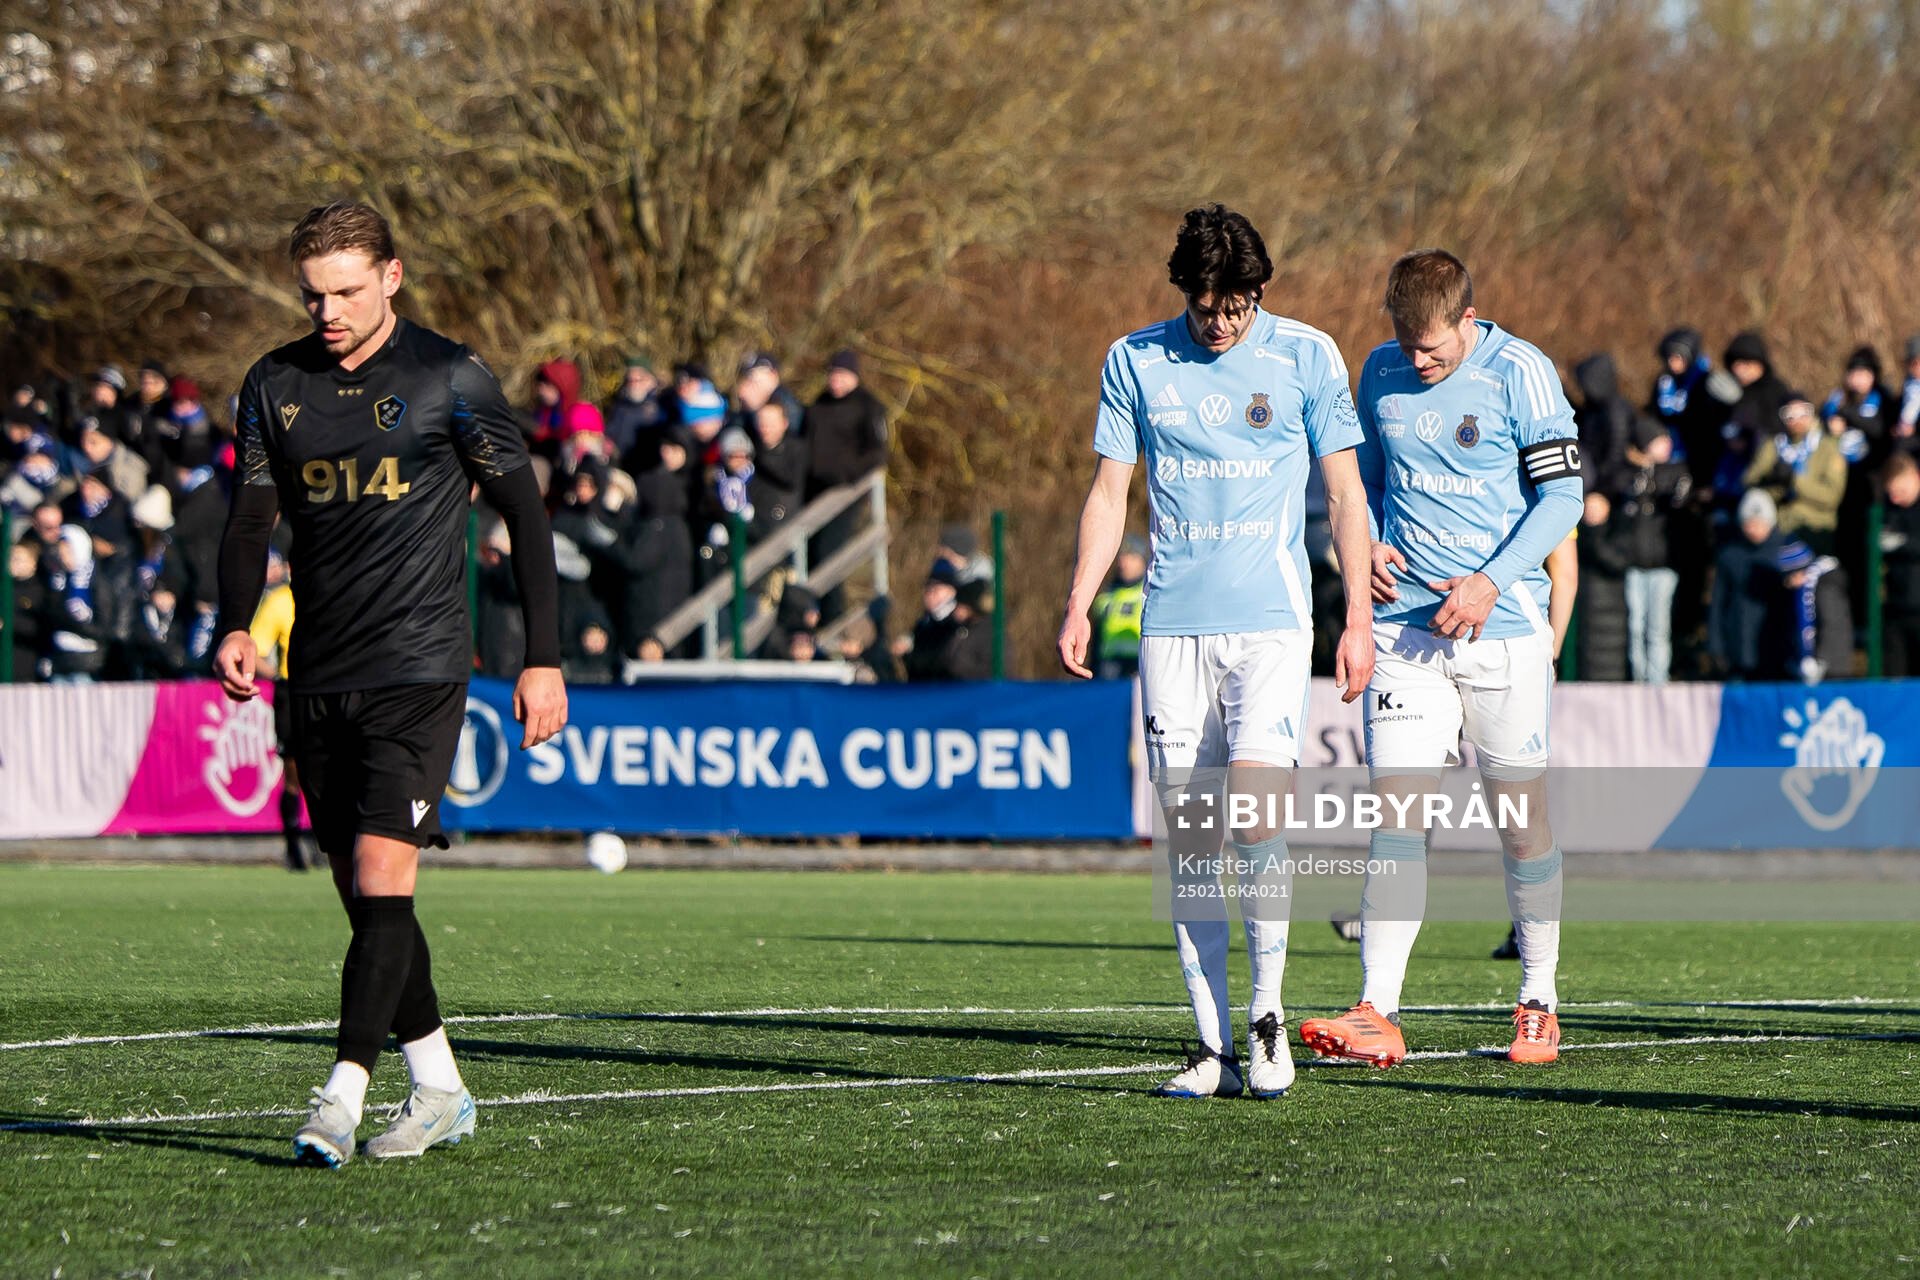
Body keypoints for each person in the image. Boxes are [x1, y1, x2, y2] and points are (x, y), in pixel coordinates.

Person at [213, 201, 566, 1168]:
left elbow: (526, 517)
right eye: (313, 294)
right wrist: (236, 625)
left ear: (393, 278)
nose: (328, 310)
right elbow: (250, 522)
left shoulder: (450, 376)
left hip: (419, 668)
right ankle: (442, 1089)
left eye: (347, 291)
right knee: (368, 902)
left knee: (382, 876)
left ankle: (341, 1095)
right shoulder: (273, 384)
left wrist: (544, 655)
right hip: (316, 674)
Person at [1057, 204, 1374, 1101]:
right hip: (1171, 629)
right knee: (1190, 844)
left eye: (1233, 306)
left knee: (1260, 822)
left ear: (1257, 292)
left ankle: (1269, 1017)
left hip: (1272, 625)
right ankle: (1210, 1046)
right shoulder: (1136, 360)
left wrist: (1355, 619)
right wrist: (1080, 600)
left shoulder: (1307, 355)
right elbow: (1109, 491)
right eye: (1204, 307)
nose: (1218, 322)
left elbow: (1347, 498)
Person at [1300, 248, 1582, 1070]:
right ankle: (1376, 1010)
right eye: (1406, 344)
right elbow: (1363, 489)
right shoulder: (1380, 371)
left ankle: (1538, 1000)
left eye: (1434, 348)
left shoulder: (1522, 372)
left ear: (1468, 318)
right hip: (1405, 637)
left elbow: (1563, 496)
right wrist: (1370, 544)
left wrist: (1493, 581)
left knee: (1520, 825)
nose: (1418, 362)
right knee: (1398, 820)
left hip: (1504, 633)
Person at [1744, 392, 1846, 556]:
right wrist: (1771, 478)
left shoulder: (1827, 447)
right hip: (1776, 524)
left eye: (1803, 413)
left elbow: (1831, 497)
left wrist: (1795, 480)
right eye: (1789, 415)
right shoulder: (1775, 444)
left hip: (1815, 525)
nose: (1796, 420)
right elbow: (1750, 481)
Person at [1709, 489, 1787, 680]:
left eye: (1759, 524)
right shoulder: (1729, 555)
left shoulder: (1786, 552)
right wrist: (1717, 646)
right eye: (1748, 524)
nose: (1753, 529)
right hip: (1738, 648)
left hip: (1776, 651)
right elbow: (1718, 603)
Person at [1088, 534, 1146, 679]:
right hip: (1107, 669)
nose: (1124, 562)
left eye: (1131, 557)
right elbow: (1096, 638)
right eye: (1122, 556)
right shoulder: (1105, 595)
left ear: (1143, 561)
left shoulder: (1149, 593)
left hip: (1139, 665)